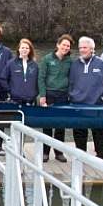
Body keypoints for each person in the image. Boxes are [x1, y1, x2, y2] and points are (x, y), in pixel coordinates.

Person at [69, 36, 103, 159]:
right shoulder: (75, 64)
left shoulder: (100, 63)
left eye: (85, 47)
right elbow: (71, 83)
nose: (82, 50)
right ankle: (81, 158)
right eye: (80, 48)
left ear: (92, 49)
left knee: (99, 133)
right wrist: (72, 97)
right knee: (79, 134)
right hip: (78, 105)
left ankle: (100, 157)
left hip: (97, 106)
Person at [37, 34, 73, 162]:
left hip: (63, 95)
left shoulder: (70, 61)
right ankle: (45, 152)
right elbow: (41, 78)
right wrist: (42, 95)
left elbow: (72, 79)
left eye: (68, 46)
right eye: (63, 45)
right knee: (47, 124)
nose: (65, 47)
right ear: (58, 45)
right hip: (49, 94)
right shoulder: (47, 59)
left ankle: (59, 152)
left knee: (60, 125)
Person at [4, 38, 38, 106]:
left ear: (30, 50)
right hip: (15, 100)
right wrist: (10, 91)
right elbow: (3, 79)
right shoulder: (11, 63)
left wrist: (35, 93)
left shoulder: (35, 65)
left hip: (31, 100)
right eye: (22, 48)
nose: (24, 50)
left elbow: (39, 81)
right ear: (19, 49)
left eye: (27, 48)